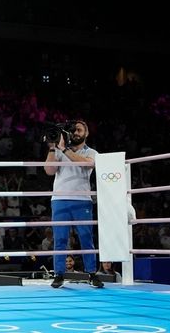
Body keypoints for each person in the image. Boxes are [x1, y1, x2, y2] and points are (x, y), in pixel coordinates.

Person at [44, 119, 103, 289]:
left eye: (79, 130)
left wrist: (64, 149)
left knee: (86, 238)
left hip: (82, 200)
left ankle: (92, 273)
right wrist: (53, 147)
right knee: (60, 239)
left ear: (86, 133)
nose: (76, 133)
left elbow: (85, 164)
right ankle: (59, 274)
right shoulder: (59, 152)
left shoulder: (92, 152)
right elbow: (49, 171)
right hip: (59, 200)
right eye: (74, 130)